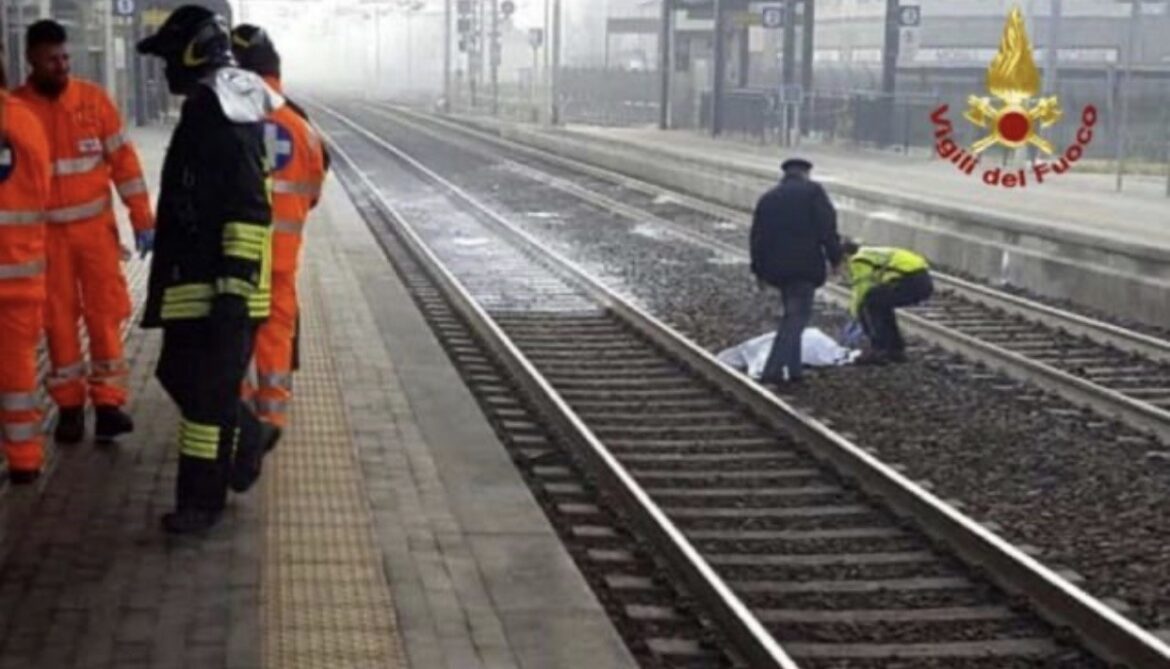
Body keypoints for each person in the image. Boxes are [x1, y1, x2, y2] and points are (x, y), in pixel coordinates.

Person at [137, 4, 282, 533]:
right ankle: (247, 433)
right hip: (194, 282)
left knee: (203, 400)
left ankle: (202, 501)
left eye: (170, 57)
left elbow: (248, 205)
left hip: (219, 287)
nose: (165, 70)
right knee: (181, 375)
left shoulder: (222, 110)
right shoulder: (212, 104)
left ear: (195, 51)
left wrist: (233, 289)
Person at [15, 20, 155, 445]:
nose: (61, 66)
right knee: (57, 322)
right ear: (32, 61)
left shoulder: (94, 102)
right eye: (51, 60)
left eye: (65, 58)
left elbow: (125, 165)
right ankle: (71, 407)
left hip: (95, 234)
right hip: (46, 240)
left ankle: (109, 403)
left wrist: (143, 218)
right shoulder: (17, 111)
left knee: (105, 314)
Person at [230, 24, 328, 452]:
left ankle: (240, 414)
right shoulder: (302, 126)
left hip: (236, 253)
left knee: (232, 335)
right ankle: (270, 416)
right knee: (275, 333)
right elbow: (314, 192)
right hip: (283, 259)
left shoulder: (231, 117)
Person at [0, 50, 52, 483]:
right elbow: (44, 187)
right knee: (18, 374)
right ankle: (25, 460)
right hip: (20, 276)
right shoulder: (25, 121)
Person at [749, 157, 842, 385]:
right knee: (796, 319)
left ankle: (795, 370)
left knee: (792, 315)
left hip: (776, 269)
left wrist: (759, 271)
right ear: (806, 173)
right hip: (804, 267)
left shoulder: (768, 198)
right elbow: (827, 228)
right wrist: (836, 257)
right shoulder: (813, 192)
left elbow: (757, 239)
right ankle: (773, 369)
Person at [840, 239, 933, 364]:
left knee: (871, 302)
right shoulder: (869, 253)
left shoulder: (858, 260)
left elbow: (862, 290)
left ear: (845, 256)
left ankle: (880, 349)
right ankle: (894, 349)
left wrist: (855, 313)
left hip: (911, 280)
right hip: (921, 280)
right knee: (881, 304)